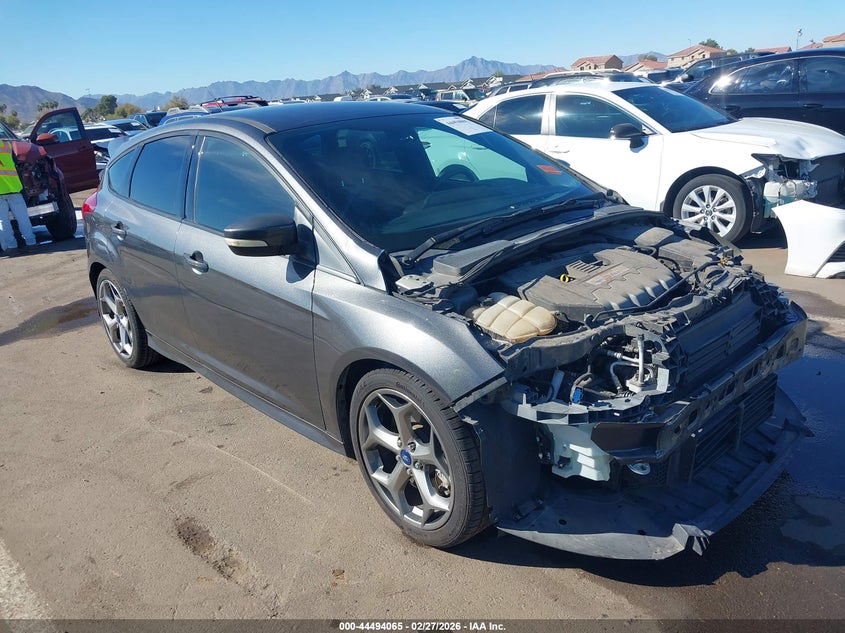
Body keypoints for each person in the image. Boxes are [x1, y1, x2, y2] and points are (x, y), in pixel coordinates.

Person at [0, 138, 36, 256]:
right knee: (23, 218)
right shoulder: (6, 145)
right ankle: (31, 243)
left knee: (3, 221)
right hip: (14, 188)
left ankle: (11, 247)